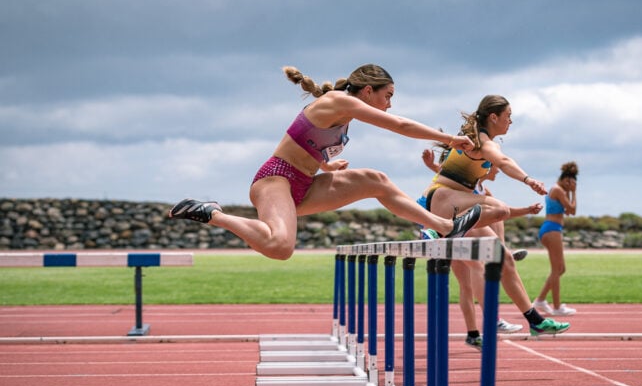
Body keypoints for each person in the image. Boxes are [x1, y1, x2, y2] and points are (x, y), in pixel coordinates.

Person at [168, 64, 482, 260]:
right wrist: (450, 139)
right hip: (276, 179)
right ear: (368, 91)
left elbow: (308, 147)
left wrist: (327, 166)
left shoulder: (344, 114)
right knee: (280, 248)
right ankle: (213, 213)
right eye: (388, 96)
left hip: (304, 184)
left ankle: (444, 227)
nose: (389, 104)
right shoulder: (337, 101)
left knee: (376, 181)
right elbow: (400, 125)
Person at [416, 94, 570, 339]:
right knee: (500, 210)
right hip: (441, 200)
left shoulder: (477, 140)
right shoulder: (481, 142)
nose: (511, 121)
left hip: (459, 208)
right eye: (508, 116)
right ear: (493, 117)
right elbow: (504, 161)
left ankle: (535, 321)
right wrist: (528, 180)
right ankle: (440, 229)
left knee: (503, 257)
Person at [422, 148, 525, 350]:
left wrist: (527, 210)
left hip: (458, 232)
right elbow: (447, 177)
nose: (496, 170)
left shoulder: (482, 190)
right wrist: (433, 166)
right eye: (492, 165)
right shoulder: (463, 184)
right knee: (477, 270)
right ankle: (493, 320)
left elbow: (502, 214)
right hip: (450, 230)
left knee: (467, 285)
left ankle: (473, 334)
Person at [533, 162, 579, 316]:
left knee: (560, 269)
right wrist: (573, 192)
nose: (570, 186)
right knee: (556, 269)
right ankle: (557, 307)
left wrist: (570, 192)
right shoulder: (558, 190)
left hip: (553, 229)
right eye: (570, 183)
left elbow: (569, 212)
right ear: (566, 180)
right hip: (551, 229)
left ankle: (540, 300)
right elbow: (572, 210)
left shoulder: (558, 190)